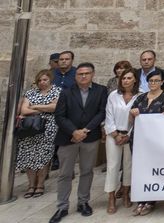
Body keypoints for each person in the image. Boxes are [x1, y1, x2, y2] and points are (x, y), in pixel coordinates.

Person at [51, 63, 108, 223]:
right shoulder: (66, 92)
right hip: (68, 138)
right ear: (76, 75)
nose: (83, 76)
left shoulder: (101, 90)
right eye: (80, 74)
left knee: (87, 171)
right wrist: (74, 132)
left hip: (90, 137)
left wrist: (85, 130)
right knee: (65, 174)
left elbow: (101, 112)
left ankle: (83, 202)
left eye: (86, 73)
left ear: (93, 74)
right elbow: (60, 116)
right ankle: (62, 206)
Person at [129, 70, 164, 216]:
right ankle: (141, 200)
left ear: (162, 82)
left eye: (156, 81)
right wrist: (132, 113)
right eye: (151, 81)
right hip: (138, 140)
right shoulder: (140, 97)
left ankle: (151, 201)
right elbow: (130, 118)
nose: (153, 83)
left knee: (154, 169)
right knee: (140, 169)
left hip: (156, 141)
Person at [16, 69, 60, 200]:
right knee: (29, 156)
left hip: (48, 129)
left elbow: (55, 108)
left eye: (45, 80)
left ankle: (40, 184)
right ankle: (31, 185)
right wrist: (44, 107)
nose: (42, 82)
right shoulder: (30, 92)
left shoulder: (57, 91)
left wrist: (34, 107)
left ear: (50, 79)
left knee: (43, 157)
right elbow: (23, 109)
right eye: (39, 80)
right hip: (29, 128)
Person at [103, 69, 139, 214]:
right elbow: (109, 115)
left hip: (130, 136)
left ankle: (125, 194)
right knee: (112, 166)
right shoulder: (113, 95)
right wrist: (115, 134)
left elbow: (139, 118)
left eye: (129, 78)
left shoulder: (140, 96)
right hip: (114, 135)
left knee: (129, 166)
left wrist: (128, 135)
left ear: (135, 80)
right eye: (123, 78)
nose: (125, 80)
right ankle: (111, 197)